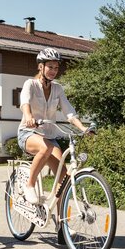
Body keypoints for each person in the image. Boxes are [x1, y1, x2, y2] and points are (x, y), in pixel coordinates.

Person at [18, 47, 91, 207]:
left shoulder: (57, 88)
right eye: (50, 67)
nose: (53, 71)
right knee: (46, 148)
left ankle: (60, 224)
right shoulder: (30, 84)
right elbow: (25, 101)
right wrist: (29, 116)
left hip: (49, 136)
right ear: (41, 67)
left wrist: (83, 128)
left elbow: (69, 112)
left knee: (63, 177)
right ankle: (29, 185)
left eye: (56, 68)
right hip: (28, 133)